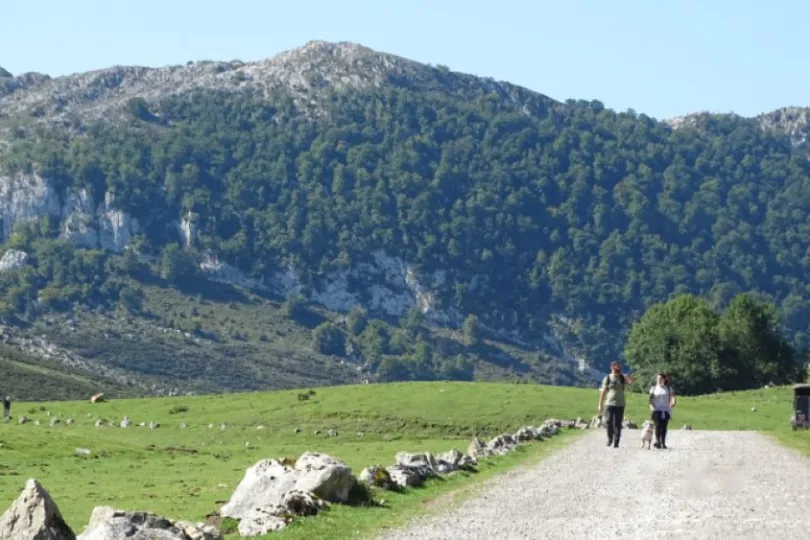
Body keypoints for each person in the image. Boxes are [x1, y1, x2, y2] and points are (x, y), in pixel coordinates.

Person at [597, 361, 634, 448]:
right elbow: (603, 392)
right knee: (608, 421)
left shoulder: (622, 377)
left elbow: (631, 381)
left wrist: (627, 376)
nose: (618, 368)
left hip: (620, 404)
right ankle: (610, 438)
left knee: (618, 423)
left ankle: (616, 441)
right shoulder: (608, 378)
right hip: (609, 403)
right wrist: (600, 404)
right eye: (616, 367)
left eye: (619, 367)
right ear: (612, 367)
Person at [649, 373, 676, 449]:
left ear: (664, 379)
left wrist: (673, 402)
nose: (659, 380)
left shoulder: (668, 389)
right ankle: (658, 442)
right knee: (657, 426)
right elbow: (650, 399)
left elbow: (673, 397)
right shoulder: (653, 389)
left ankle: (663, 442)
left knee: (664, 427)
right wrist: (652, 407)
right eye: (657, 378)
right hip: (656, 410)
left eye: (660, 378)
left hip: (666, 410)